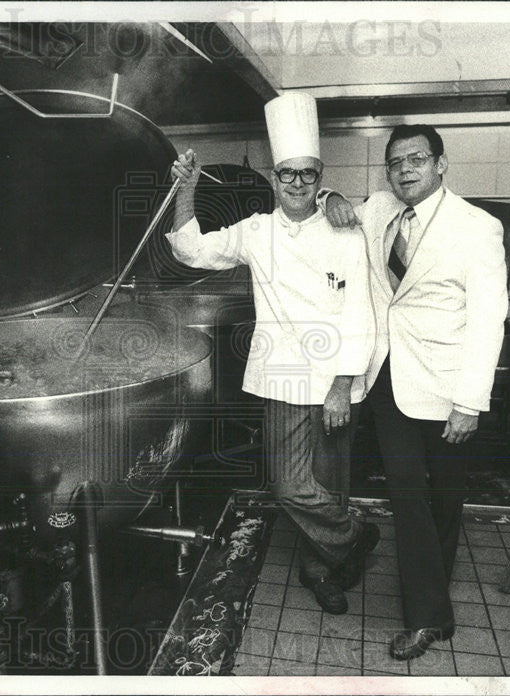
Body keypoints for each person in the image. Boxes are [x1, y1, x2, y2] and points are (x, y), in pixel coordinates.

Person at [165, 93, 380, 614]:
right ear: (274, 176)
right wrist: (187, 189)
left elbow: (360, 312)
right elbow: (190, 248)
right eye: (288, 174)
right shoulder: (257, 232)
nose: (299, 184)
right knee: (290, 486)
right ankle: (355, 536)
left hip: (334, 377)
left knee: (329, 481)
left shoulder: (347, 230)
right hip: (282, 374)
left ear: (320, 174)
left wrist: (340, 387)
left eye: (309, 174)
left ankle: (321, 572)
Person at [323, 124, 508, 658]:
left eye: (417, 160)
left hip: (450, 385)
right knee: (407, 492)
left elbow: (487, 321)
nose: (405, 170)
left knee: (445, 499)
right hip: (389, 380)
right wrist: (333, 194)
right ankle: (428, 618)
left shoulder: (478, 228)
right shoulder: (381, 207)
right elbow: (341, 209)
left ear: (441, 164)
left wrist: (470, 402)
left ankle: (432, 590)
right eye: (396, 162)